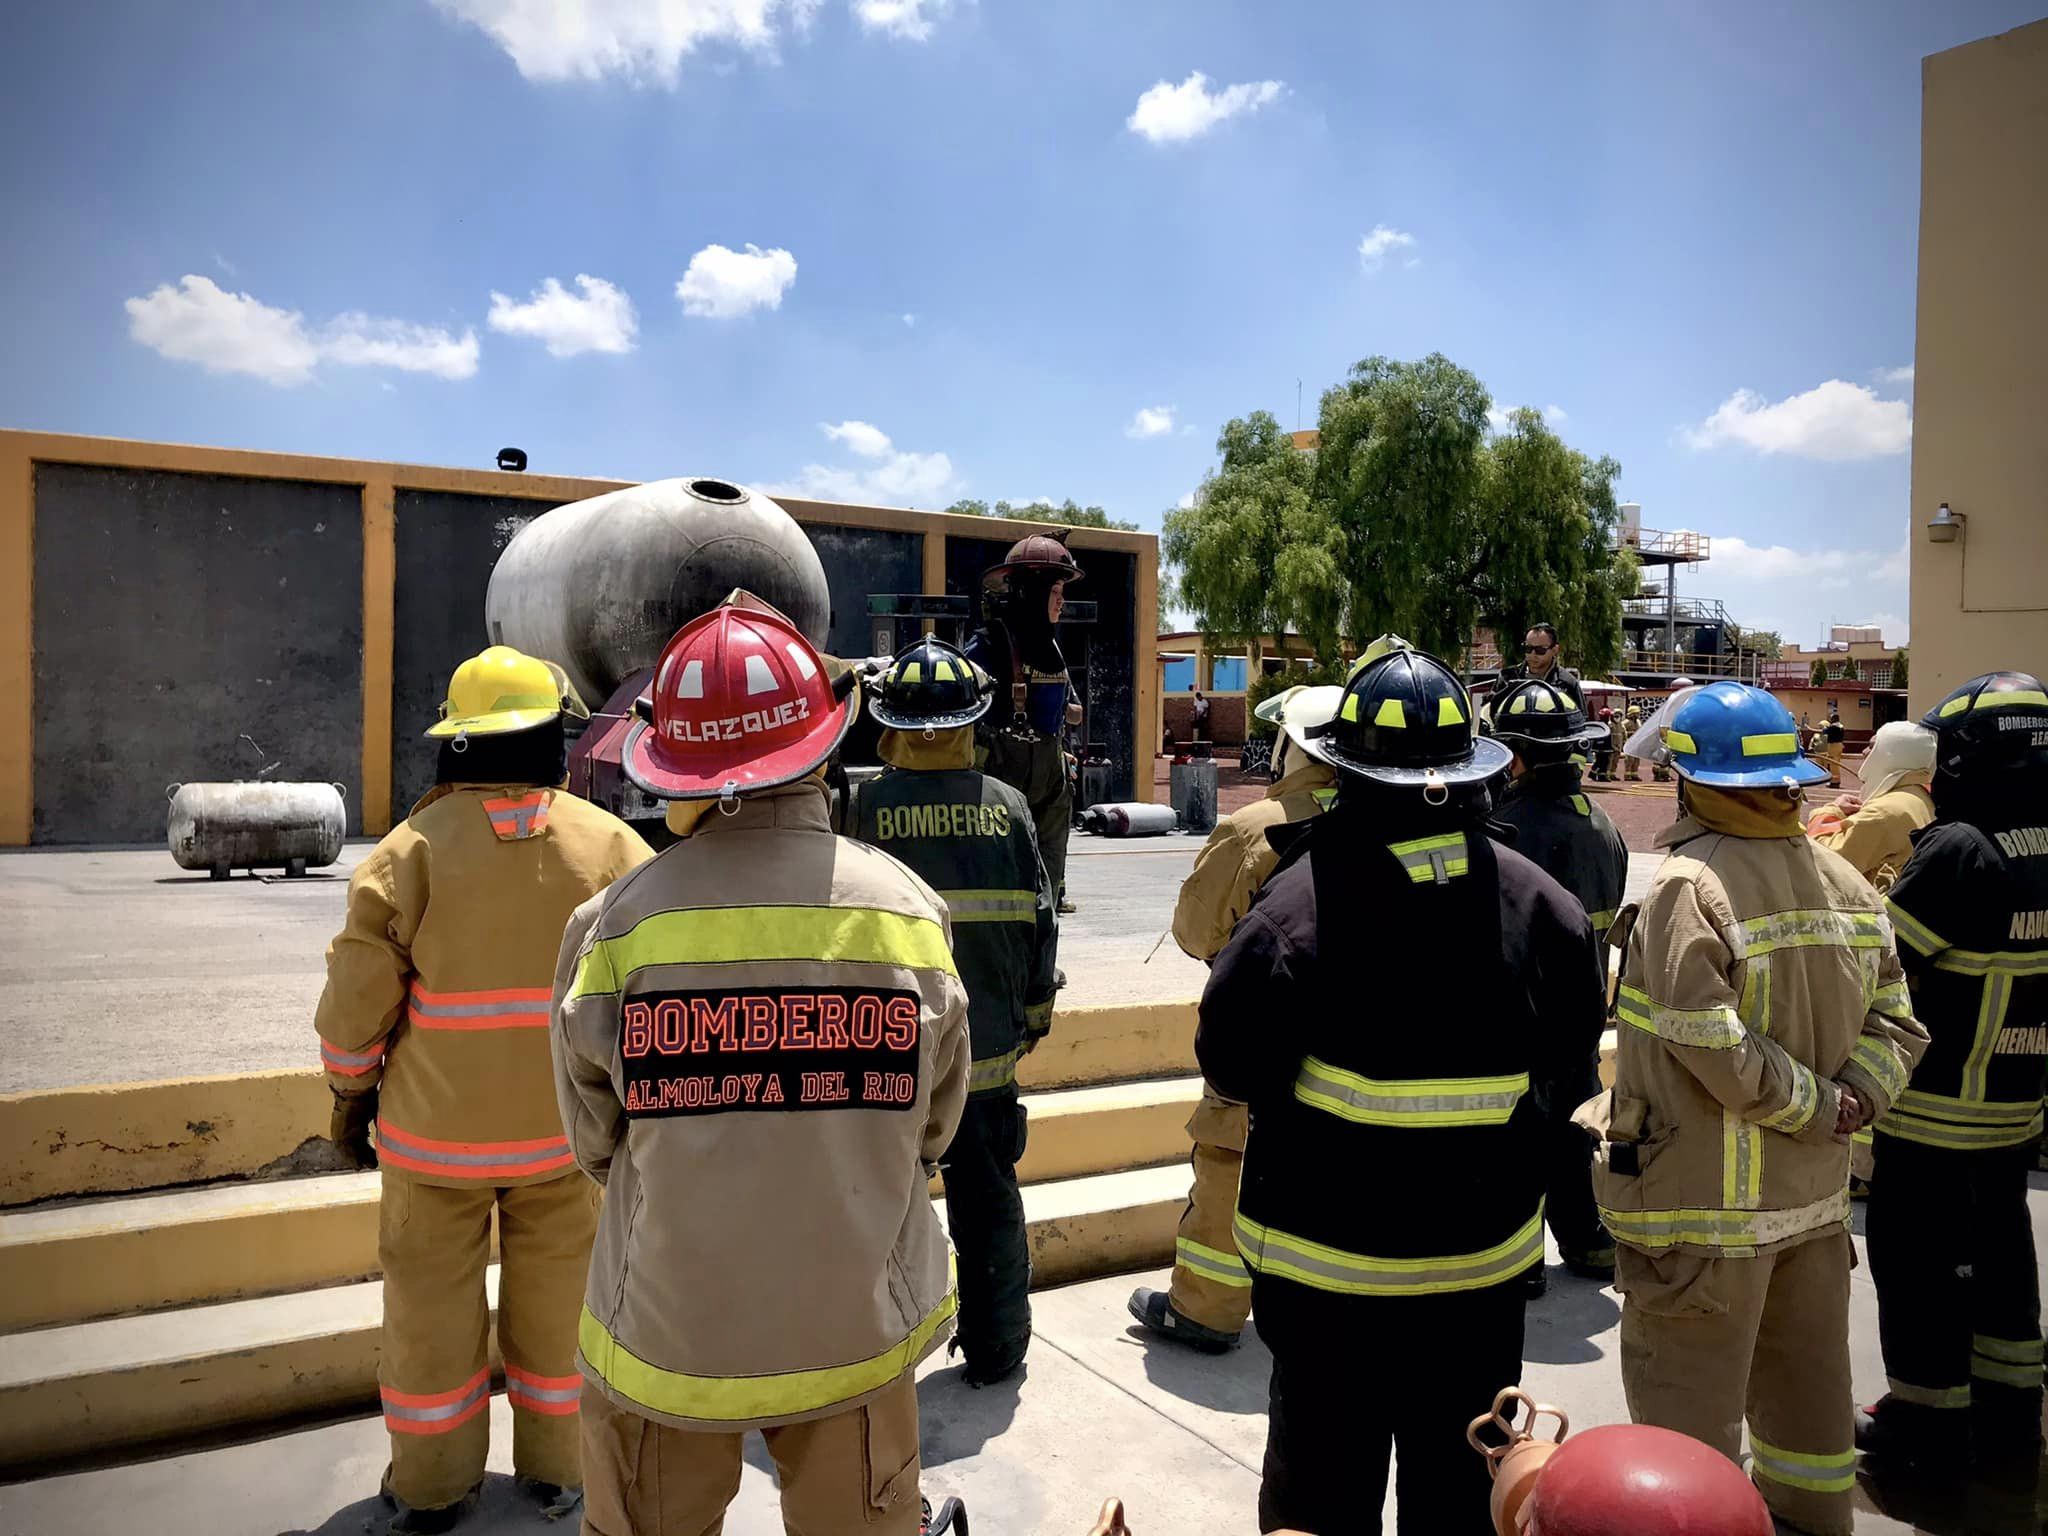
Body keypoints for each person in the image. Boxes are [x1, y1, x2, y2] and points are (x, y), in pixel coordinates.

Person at [551, 595, 970, 1536]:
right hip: (854, 1332)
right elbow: (934, 1126)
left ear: (674, 770)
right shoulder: (906, 913)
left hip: (668, 1341)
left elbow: (594, 1140)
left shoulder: (615, 924)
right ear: (821, 747)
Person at [1197, 645, 1606, 1533]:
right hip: (1481, 1287)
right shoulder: (1548, 910)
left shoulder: (1291, 914)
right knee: (1461, 1503)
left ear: (1342, 767)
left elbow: (1231, 1065)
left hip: (1326, 1294)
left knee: (1320, 1503)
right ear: (1470, 770)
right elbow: (1572, 1080)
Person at [315, 646, 652, 1535]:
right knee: (559, 1315)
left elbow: (355, 1010)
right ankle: (558, 1472)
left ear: (455, 741)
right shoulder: (614, 846)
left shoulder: (407, 853)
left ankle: (431, 1488)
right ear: (552, 737)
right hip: (563, 1142)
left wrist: (351, 1104)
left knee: (428, 1321)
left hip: (432, 1151)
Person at [1585, 680, 1925, 1536]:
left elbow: (1713, 1049)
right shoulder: (1847, 879)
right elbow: (1900, 1023)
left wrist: (1817, 1104)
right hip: (1813, 1216)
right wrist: (1857, 1101)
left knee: (1683, 1463)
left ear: (1691, 780)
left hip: (1702, 1229)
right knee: (1809, 1436)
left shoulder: (1689, 888)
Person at [851, 635, 1059, 1386]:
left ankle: (870, 1360)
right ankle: (998, 1350)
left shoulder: (859, 805)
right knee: (988, 1204)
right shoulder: (1007, 809)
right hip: (986, 1059)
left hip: (880, 1060)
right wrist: (1033, 1012)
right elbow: (1042, 917)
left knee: (873, 1209)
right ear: (972, 722)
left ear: (890, 724)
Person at [1857, 672, 2048, 1474]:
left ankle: (1925, 1422)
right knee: (2003, 1259)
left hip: (1934, 1110)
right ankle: (2010, 1414)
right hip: (2016, 1111)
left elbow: (1878, 966)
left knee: (1922, 1268)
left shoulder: (1959, 848)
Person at [1128, 678, 1346, 1353]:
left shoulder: (1256, 829)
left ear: (1295, 747)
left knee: (1229, 1160)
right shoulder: (1380, 818)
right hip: (1355, 1040)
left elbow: (1195, 931)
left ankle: (1207, 1307)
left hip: (1259, 1026)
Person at [1489, 678, 1630, 1296]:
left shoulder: (1505, 828)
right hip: (1583, 1014)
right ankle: (1586, 1238)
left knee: (1516, 1140)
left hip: (1521, 1018)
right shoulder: (1604, 827)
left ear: (1515, 757)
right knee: (1576, 1126)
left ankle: (1519, 1260)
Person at [967, 531, 1085, 914]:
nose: (1062, 603)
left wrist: (1070, 710)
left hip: (1051, 768)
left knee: (1050, 869)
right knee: (1004, 871)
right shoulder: (987, 644)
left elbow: (1071, 704)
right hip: (1003, 769)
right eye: (1055, 592)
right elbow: (965, 703)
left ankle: (1044, 965)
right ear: (1032, 592)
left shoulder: (1052, 646)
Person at [1804, 720, 1937, 891]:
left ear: (1891, 754)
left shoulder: (1885, 812)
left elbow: (1828, 862)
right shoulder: (1921, 796)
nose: (1864, 752)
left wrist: (1830, 811)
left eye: (1872, 747)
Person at [1498, 622, 1586, 711]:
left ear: (1555, 650)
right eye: (1528, 648)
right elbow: (1490, 712)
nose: (1533, 654)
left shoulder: (1567, 683)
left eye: (1540, 650)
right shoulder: (1508, 678)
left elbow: (1580, 718)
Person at [1821, 704, 1846, 788]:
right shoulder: (1841, 726)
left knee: (1833, 764)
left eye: (1831, 718)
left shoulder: (1833, 727)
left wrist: (1825, 727)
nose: (1830, 720)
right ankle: (1836, 781)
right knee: (1836, 764)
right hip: (1839, 745)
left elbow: (1824, 732)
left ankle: (1834, 782)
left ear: (1834, 719)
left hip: (1833, 746)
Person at [1614, 705, 1639, 782]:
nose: (1638, 715)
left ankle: (1634, 774)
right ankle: (1627, 775)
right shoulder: (1626, 723)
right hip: (1629, 744)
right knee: (1629, 760)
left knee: (1636, 760)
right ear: (1632, 714)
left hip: (1637, 744)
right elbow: (1621, 732)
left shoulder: (1638, 722)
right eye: (1636, 713)